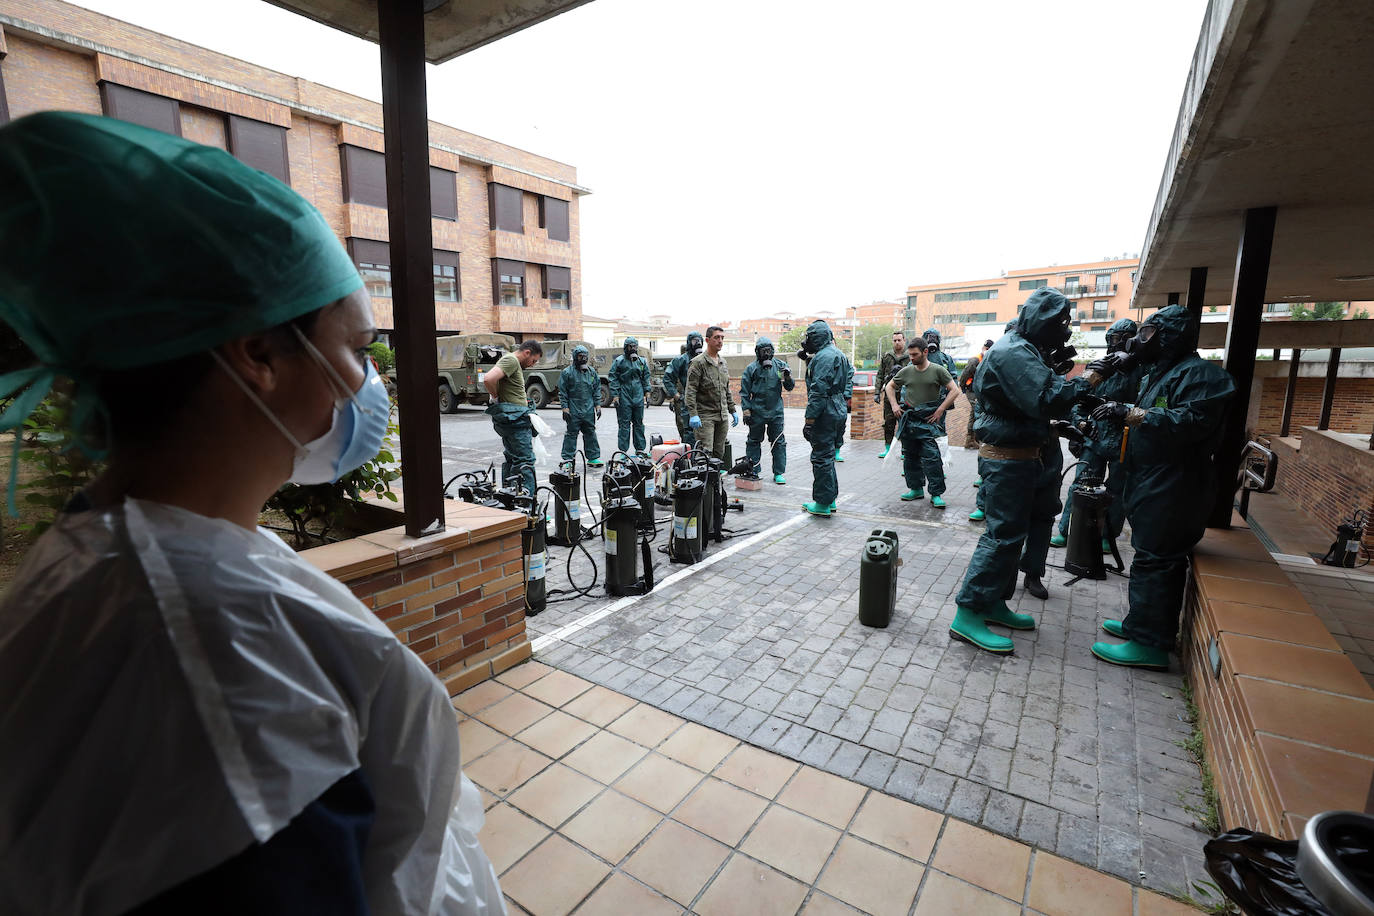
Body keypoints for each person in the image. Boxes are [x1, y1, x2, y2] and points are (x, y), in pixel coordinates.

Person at [0, 112, 500, 914]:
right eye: (359, 349)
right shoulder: (220, 651)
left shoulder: (109, 554)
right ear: (258, 354)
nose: (368, 383)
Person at [948, 289, 1115, 653]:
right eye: (1061, 324)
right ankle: (968, 614)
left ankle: (993, 602)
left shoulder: (1023, 348)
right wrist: (1092, 377)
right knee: (1002, 536)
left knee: (1011, 535)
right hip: (1007, 459)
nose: (1065, 332)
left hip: (1022, 455)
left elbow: (1036, 405)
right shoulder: (1013, 352)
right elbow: (1049, 397)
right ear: (1044, 322)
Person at [1089, 305, 1236, 669]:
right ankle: (1140, 625)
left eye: (1146, 333)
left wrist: (1132, 413)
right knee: (1148, 555)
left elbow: (1191, 421)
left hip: (1176, 484)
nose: (1139, 340)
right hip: (1154, 479)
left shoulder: (1202, 376)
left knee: (1158, 561)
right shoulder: (1163, 371)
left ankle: (1150, 644)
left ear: (1168, 336)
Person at [1050, 318, 1139, 549]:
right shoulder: (1098, 366)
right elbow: (1078, 403)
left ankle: (1107, 535)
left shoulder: (1141, 371)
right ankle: (1067, 530)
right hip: (1096, 436)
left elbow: (1148, 406)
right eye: (1111, 339)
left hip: (1125, 438)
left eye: (1119, 339)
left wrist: (1122, 409)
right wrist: (1081, 426)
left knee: (1117, 489)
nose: (1114, 344)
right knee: (1080, 483)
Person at [885, 337, 959, 508]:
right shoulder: (906, 371)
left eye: (914, 354)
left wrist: (941, 409)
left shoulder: (938, 370)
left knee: (932, 458)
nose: (911, 358)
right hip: (910, 420)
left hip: (928, 420)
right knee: (910, 457)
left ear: (925, 352)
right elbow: (889, 386)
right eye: (909, 355)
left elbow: (955, 390)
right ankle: (916, 489)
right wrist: (895, 404)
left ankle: (936, 494)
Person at [799, 320, 852, 517]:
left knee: (821, 457)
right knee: (828, 457)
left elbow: (818, 391)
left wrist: (809, 421)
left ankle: (822, 503)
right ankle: (829, 499)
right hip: (838, 408)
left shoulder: (823, 357)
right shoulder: (839, 354)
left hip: (825, 410)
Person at [484, 338, 544, 497]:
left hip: (514, 419)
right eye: (534, 360)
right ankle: (528, 505)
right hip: (516, 421)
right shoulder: (511, 360)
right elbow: (489, 378)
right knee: (524, 462)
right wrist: (495, 397)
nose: (533, 364)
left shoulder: (511, 362)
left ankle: (510, 499)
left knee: (513, 459)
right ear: (527, 352)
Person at [739, 336, 794, 483]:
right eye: (763, 351)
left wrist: (787, 377)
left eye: (768, 351)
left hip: (775, 411)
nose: (766, 354)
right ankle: (753, 470)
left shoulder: (780, 366)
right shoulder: (751, 369)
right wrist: (746, 411)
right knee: (753, 441)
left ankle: (778, 473)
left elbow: (789, 387)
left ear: (773, 351)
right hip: (757, 411)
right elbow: (744, 392)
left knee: (778, 442)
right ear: (757, 352)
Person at [685, 325, 738, 458]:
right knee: (705, 454)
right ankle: (703, 478)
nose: (720, 341)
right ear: (707, 340)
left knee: (719, 453)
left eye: (722, 338)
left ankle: (716, 478)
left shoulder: (722, 363)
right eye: (716, 337)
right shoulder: (698, 363)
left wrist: (733, 410)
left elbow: (726, 389)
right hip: (705, 416)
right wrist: (693, 414)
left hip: (722, 415)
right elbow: (690, 391)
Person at [559, 343, 602, 466]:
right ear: (575, 357)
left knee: (590, 433)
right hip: (574, 408)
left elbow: (596, 389)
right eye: (580, 356)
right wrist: (565, 408)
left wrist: (597, 406)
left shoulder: (591, 372)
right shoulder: (567, 373)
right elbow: (563, 392)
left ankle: (593, 457)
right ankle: (568, 459)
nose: (582, 359)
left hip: (588, 408)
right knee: (571, 434)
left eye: (584, 356)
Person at [608, 336, 651, 455]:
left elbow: (645, 377)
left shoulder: (641, 362)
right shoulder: (619, 361)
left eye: (635, 346)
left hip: (638, 394)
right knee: (624, 424)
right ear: (625, 347)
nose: (633, 349)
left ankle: (640, 449)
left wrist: (647, 393)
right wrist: (615, 395)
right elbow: (613, 378)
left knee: (638, 423)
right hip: (624, 395)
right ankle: (623, 451)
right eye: (630, 346)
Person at [661, 332, 703, 446]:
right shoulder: (681, 360)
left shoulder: (706, 359)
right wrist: (675, 395)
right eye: (694, 341)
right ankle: (689, 459)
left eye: (699, 340)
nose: (698, 343)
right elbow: (667, 378)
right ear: (689, 343)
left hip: (705, 402)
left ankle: (705, 459)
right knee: (688, 432)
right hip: (688, 401)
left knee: (706, 433)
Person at [876, 331, 909, 459]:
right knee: (889, 422)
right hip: (889, 396)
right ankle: (888, 448)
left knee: (905, 423)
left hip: (905, 396)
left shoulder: (909, 356)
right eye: (894, 340)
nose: (897, 342)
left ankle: (905, 450)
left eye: (899, 340)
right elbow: (880, 375)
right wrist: (876, 392)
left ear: (904, 340)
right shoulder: (887, 356)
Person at [958, 339, 993, 451]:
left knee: (975, 413)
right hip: (971, 390)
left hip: (979, 390)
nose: (987, 351)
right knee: (977, 411)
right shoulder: (975, 360)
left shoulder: (988, 360)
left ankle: (972, 440)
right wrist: (963, 387)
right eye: (986, 349)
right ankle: (973, 439)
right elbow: (964, 375)